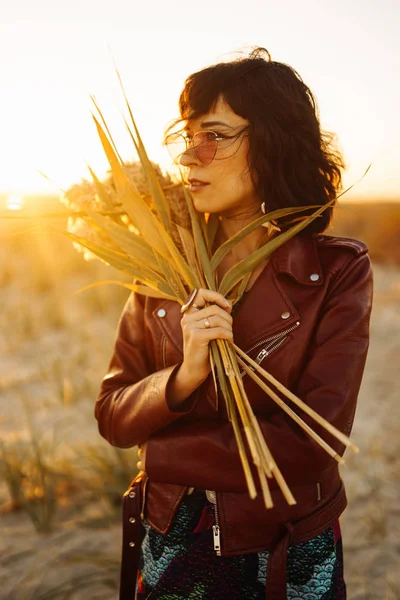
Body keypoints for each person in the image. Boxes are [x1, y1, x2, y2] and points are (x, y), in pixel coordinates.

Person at [94, 47, 373, 600]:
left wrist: (164, 453)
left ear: (271, 141)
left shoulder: (336, 270)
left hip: (285, 545)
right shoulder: (160, 268)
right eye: (187, 137)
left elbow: (313, 443)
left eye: (215, 136)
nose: (191, 157)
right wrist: (181, 377)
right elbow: (113, 416)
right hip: (171, 539)